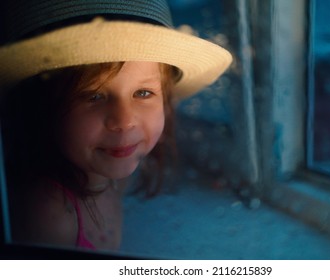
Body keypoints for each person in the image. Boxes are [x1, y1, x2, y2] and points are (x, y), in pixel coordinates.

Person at [0, 0, 232, 251]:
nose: (124, 121)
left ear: (165, 101)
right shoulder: (48, 214)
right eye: (94, 96)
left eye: (143, 93)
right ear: (40, 107)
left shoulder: (116, 171)